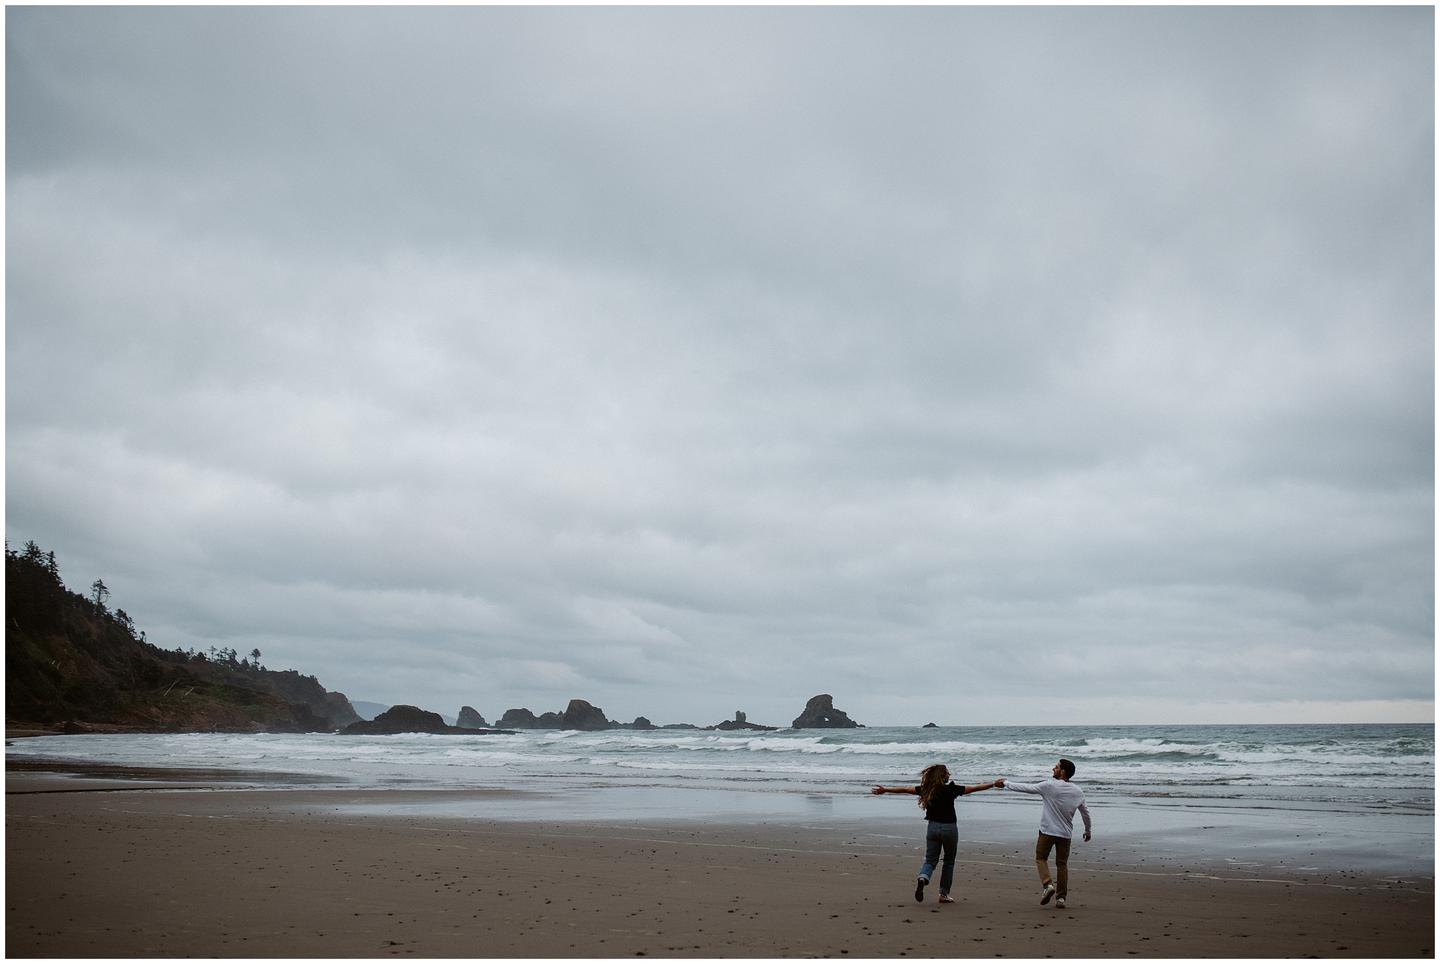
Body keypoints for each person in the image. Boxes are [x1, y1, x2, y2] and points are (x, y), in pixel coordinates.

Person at [871, 764, 1002, 904]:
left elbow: (904, 789)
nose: (949, 775)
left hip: (932, 828)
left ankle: (923, 876)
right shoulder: (952, 789)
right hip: (950, 828)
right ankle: (943, 894)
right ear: (942, 776)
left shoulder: (926, 790)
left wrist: (885, 790)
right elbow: (975, 788)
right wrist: (994, 783)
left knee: (930, 859)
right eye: (947, 773)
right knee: (949, 861)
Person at [996, 758, 1092, 909]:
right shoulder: (1077, 791)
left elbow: (1026, 788)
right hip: (1065, 834)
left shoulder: (1049, 786)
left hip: (1047, 831)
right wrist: (1087, 830)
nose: (1053, 769)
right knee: (1062, 864)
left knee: (1041, 858)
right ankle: (1061, 898)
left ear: (1063, 772)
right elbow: (1085, 813)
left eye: (1056, 767)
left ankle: (1048, 885)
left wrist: (1006, 782)